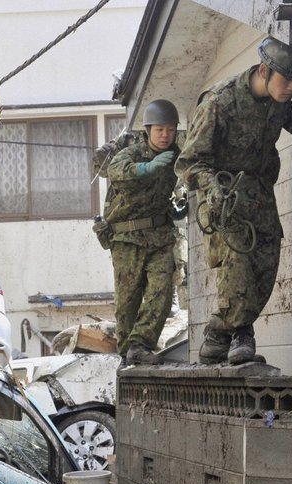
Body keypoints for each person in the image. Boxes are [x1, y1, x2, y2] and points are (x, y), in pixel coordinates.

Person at [175, 36, 292, 365]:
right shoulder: (220, 102)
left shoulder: (280, 98)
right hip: (225, 198)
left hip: (260, 195)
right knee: (239, 269)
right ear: (265, 70)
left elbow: (283, 118)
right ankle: (242, 333)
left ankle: (217, 335)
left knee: (267, 268)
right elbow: (188, 163)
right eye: (288, 80)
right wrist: (212, 187)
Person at [99, 99, 183, 365]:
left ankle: (140, 343)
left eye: (170, 129)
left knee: (162, 292)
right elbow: (116, 171)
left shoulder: (176, 156)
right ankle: (127, 353)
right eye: (159, 129)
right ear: (148, 130)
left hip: (159, 237)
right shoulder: (132, 153)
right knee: (128, 301)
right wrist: (147, 168)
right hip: (126, 238)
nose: (165, 135)